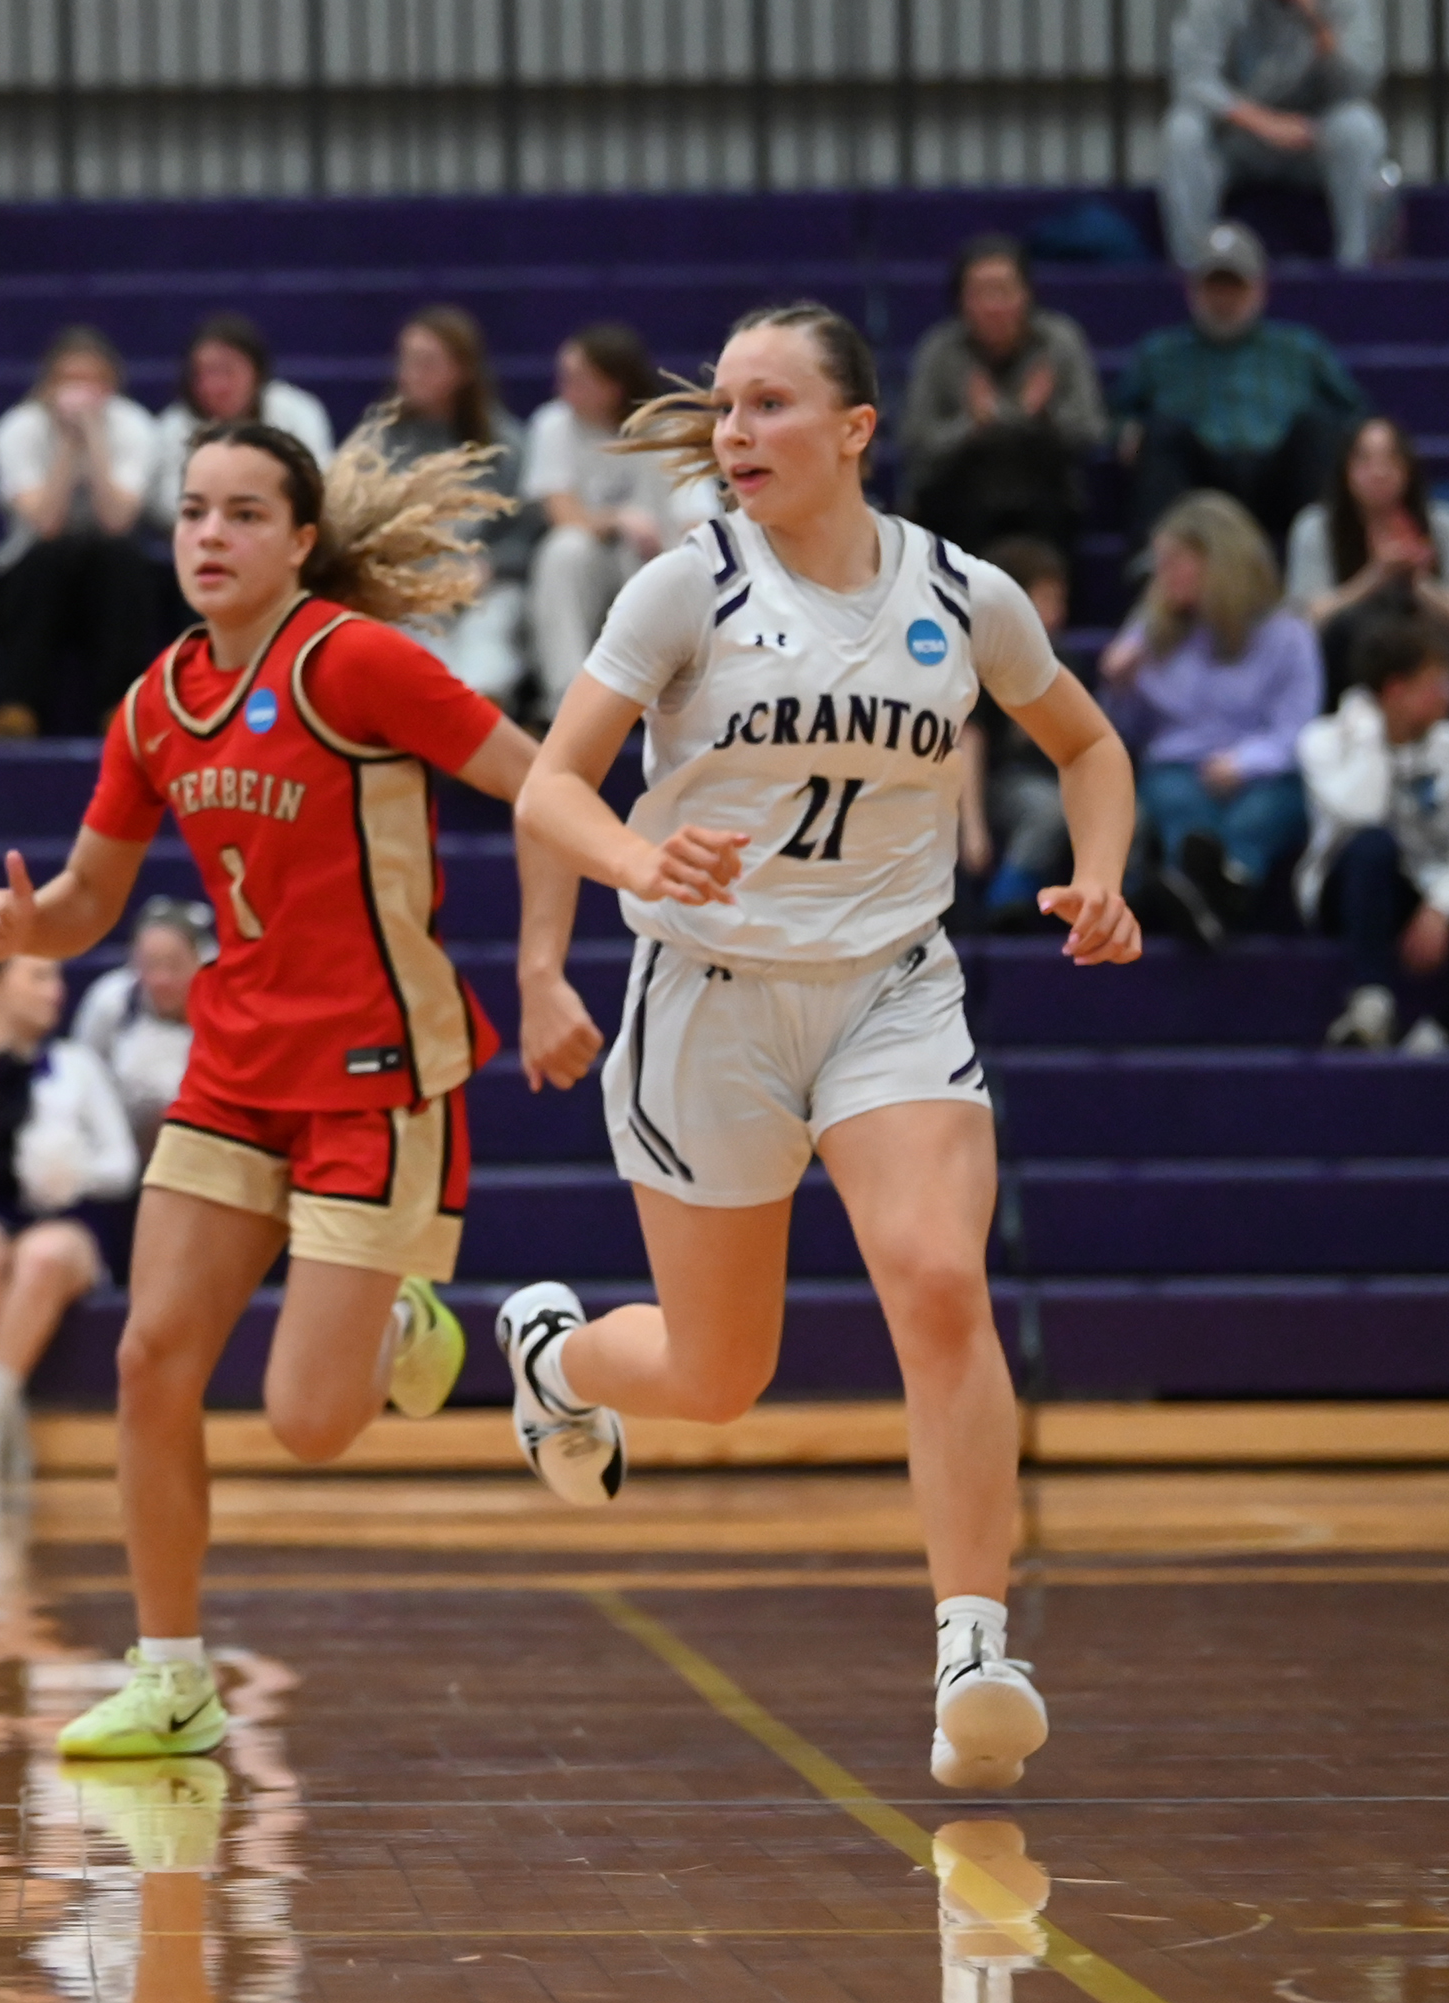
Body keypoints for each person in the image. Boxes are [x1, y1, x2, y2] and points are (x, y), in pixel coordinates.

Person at [505, 300, 1142, 1795]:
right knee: (723, 1373)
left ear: (856, 429)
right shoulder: (683, 588)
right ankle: (554, 1355)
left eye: (769, 405)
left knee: (936, 1277)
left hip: (890, 990)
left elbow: (1091, 746)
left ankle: (975, 1647)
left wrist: (1101, 870)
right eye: (724, 408)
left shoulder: (964, 594)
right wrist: (635, 863)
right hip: (708, 997)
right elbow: (549, 787)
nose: (734, 434)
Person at [0, 416, 594, 1761]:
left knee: (309, 1425)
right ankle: (172, 1673)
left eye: (245, 513)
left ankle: (410, 1304)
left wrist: (543, 975)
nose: (210, 535)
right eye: (194, 509)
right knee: (150, 1360)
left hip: (375, 1067)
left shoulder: (353, 660)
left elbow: (548, 786)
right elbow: (87, 899)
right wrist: (29, 929)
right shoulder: (154, 701)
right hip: (235, 1065)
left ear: (300, 540)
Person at [0, 954, 138, 1485]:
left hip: (61, 1224)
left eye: (57, 976)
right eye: (39, 976)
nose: (56, 990)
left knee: (43, 1253)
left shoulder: (74, 1065)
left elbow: (122, 1166)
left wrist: (72, 1171)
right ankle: (3, 1414)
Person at [1099, 490, 1321, 943]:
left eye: (1174, 563)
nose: (1161, 578)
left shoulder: (1287, 633)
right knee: (1179, 801)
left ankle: (1208, 894)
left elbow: (1297, 729)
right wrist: (1119, 687)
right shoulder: (1150, 629)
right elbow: (1127, 733)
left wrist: (1243, 763)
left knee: (1267, 808)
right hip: (1179, 769)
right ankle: (1220, 895)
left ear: (1219, 563)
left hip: (1264, 772)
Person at [1113, 219, 1364, 551]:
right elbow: (1113, 413)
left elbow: (1357, 411)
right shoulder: (1160, 353)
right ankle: (1153, 567)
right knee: (1159, 435)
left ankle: (1326, 558)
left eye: (1234, 286)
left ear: (1259, 288)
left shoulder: (1300, 347)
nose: (1224, 298)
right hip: (1198, 481)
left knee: (1318, 428)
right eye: (1214, 286)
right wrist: (1125, 431)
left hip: (1279, 475)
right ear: (1192, 290)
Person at [349, 305, 538, 709]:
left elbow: (528, 534)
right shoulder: (380, 437)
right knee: (411, 662)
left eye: (426, 362)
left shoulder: (505, 442)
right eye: (406, 360)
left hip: (484, 586)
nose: (410, 372)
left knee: (487, 650)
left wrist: (491, 565)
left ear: (462, 370)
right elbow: (352, 523)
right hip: (407, 591)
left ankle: (483, 714)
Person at [0, 326, 163, 739]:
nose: (80, 393)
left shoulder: (134, 426)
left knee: (121, 555)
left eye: (92, 381)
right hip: (33, 580)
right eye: (68, 380)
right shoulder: (16, 429)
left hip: (105, 587)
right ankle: (16, 706)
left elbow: (117, 519)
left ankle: (122, 705)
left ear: (112, 387)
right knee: (49, 555)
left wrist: (95, 440)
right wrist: (67, 445)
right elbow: (46, 523)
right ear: (47, 385)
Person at [525, 322, 697, 725]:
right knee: (563, 550)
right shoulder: (553, 424)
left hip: (657, 564)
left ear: (614, 385)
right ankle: (565, 698)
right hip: (593, 565)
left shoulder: (669, 430)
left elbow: (698, 519)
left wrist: (675, 556)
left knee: (690, 564)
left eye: (576, 378)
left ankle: (669, 694)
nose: (562, 387)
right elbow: (561, 513)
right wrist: (619, 520)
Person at [898, 236, 1106, 565]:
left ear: (1027, 295)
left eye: (1004, 291)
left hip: (1041, 490)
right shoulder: (939, 350)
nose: (994, 306)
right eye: (981, 293)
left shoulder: (1059, 342)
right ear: (961, 301)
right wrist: (973, 425)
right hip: (962, 492)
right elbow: (916, 439)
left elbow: (1091, 430)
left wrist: (1041, 418)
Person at [1295, 617, 1449, 1050]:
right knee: (1372, 846)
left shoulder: (1446, 745)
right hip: (1350, 891)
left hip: (1428, 885)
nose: (1445, 696)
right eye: (1435, 684)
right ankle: (1371, 1005)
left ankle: (1437, 1034)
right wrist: (1373, 735)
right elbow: (1364, 813)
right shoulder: (1323, 741)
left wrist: (1441, 905)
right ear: (1397, 690)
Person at [1165, 0, 1393, 271]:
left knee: (1360, 126)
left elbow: (1360, 84)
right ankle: (1194, 272)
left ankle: (1355, 270)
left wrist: (1318, 24)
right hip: (1235, 141)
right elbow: (1192, 80)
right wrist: (1265, 123)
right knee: (1182, 131)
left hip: (1309, 137)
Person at [959, 539, 1081, 931]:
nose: (1056, 613)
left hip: (1056, 777)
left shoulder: (1064, 662)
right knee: (1046, 809)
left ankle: (1124, 899)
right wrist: (972, 826)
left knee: (1131, 812)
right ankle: (1006, 904)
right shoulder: (982, 663)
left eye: (1060, 600)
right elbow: (970, 744)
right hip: (1003, 784)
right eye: (1046, 600)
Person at [1286, 415, 1449, 698]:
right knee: (1352, 626)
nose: (1379, 472)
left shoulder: (1440, 524)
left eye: (1391, 460)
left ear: (1408, 469)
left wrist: (1418, 583)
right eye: (1365, 460)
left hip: (1428, 663)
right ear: (1345, 470)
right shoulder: (1314, 527)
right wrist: (1375, 575)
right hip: (1343, 667)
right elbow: (1304, 623)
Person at [144, 315, 338, 540]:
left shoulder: (297, 410)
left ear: (256, 371)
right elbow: (165, 504)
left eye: (227, 371)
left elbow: (319, 483)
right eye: (203, 373)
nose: (215, 386)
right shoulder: (173, 425)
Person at [70, 896, 207, 1157]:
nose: (161, 979)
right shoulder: (110, 1003)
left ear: (199, 960)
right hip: (125, 1151)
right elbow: (83, 1079)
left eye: (174, 965)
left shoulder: (223, 1011)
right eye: (150, 965)